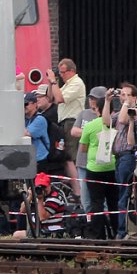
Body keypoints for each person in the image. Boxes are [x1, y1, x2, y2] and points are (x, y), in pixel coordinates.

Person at [77, 92, 117, 239]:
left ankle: (98, 234)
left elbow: (82, 148)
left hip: (94, 167)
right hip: (112, 166)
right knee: (113, 202)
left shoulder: (90, 126)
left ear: (96, 109)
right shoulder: (114, 124)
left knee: (96, 202)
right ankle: (116, 232)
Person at [107, 82, 137, 239]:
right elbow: (106, 121)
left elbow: (122, 119)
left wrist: (126, 102)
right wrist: (107, 101)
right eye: (122, 94)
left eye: (127, 94)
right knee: (121, 194)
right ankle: (122, 229)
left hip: (128, 155)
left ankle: (123, 231)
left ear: (134, 97)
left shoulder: (133, 112)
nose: (123, 97)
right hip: (118, 157)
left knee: (124, 195)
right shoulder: (121, 110)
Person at [48, 58, 85, 195]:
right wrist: (51, 82)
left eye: (63, 72)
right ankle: (75, 190)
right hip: (63, 122)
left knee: (70, 156)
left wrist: (53, 81)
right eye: (60, 73)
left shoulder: (76, 83)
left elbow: (59, 99)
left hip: (72, 122)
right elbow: (50, 97)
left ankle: (78, 192)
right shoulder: (66, 84)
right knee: (65, 156)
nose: (61, 75)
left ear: (72, 71)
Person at [12, 173, 68, 238]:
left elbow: (42, 217)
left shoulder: (55, 198)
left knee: (17, 235)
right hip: (39, 229)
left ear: (49, 185)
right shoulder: (36, 195)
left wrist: (40, 200)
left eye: (44, 187)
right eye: (39, 187)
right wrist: (29, 197)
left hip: (51, 230)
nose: (42, 190)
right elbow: (22, 210)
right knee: (17, 234)